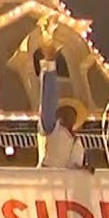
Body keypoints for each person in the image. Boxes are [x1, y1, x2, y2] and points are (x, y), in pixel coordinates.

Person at [35, 34, 89, 171]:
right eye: (68, 111)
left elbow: (75, 166)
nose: (71, 116)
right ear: (59, 113)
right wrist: (50, 64)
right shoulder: (50, 127)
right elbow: (48, 98)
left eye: (73, 113)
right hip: (47, 183)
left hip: (65, 188)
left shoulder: (77, 141)